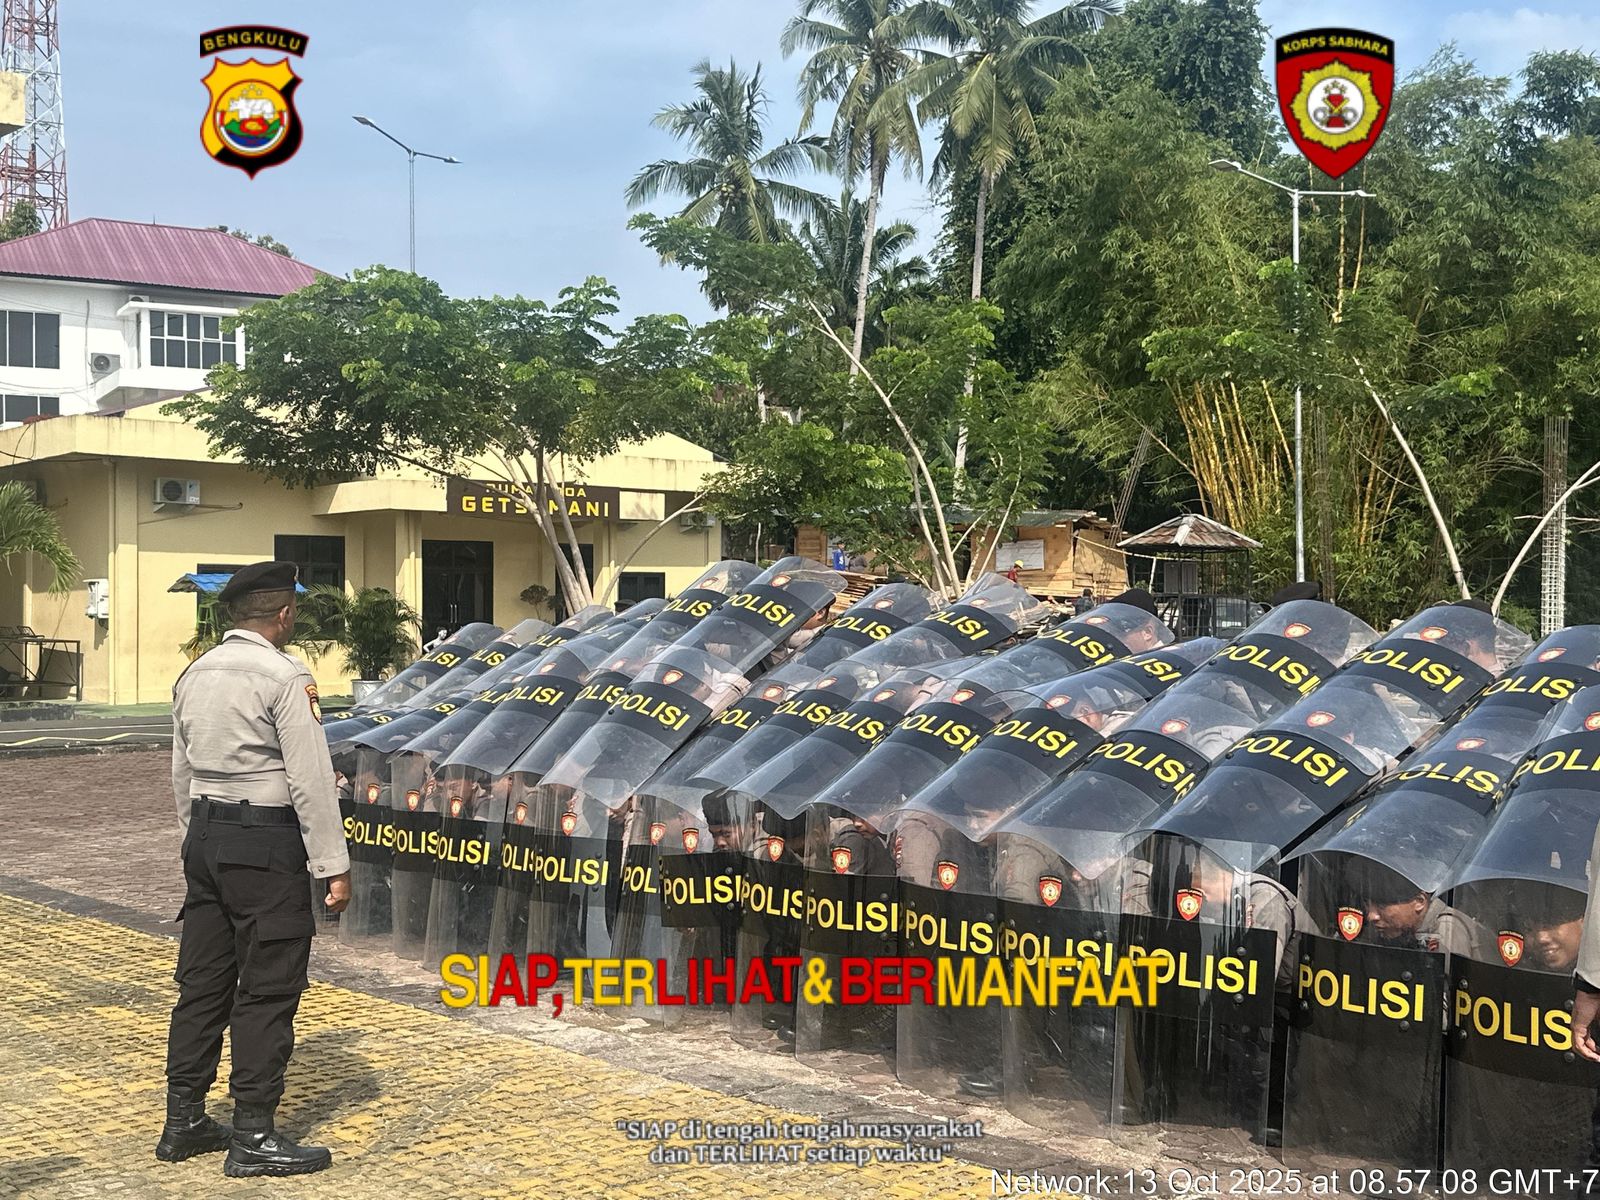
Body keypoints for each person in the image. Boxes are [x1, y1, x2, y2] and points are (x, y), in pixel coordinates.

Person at [160, 561, 349, 1177]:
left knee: (203, 983)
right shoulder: (285, 675)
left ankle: (184, 1119)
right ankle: (253, 1135)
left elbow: (182, 769)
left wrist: (195, 841)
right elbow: (310, 778)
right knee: (267, 987)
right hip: (265, 843)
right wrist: (332, 864)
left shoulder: (195, 672)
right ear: (284, 614)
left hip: (205, 835)